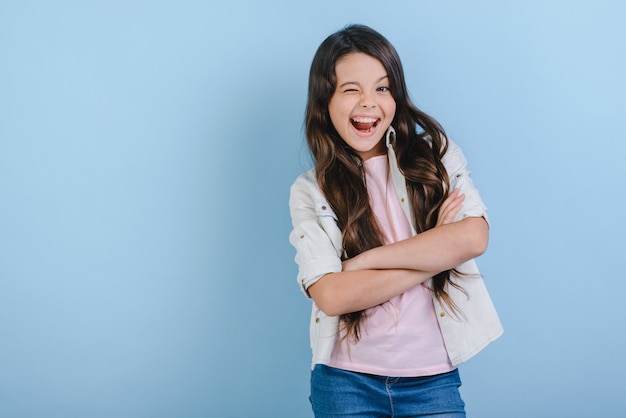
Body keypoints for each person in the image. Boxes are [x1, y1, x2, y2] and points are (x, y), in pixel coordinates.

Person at [288, 24, 503, 417]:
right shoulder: (311, 190)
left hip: (433, 379)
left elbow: (473, 238)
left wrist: (363, 263)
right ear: (326, 101)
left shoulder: (435, 157)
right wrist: (436, 249)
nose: (368, 103)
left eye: (382, 88)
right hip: (344, 381)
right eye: (351, 89)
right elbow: (332, 296)